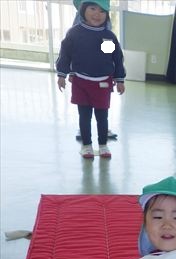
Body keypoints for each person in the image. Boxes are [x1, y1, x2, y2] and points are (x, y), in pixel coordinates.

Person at [56, 0, 125, 159]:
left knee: (102, 116)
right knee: (84, 116)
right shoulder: (74, 33)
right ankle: (86, 145)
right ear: (83, 10)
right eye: (93, 9)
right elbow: (66, 55)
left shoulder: (108, 36)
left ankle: (103, 145)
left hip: (102, 83)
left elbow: (115, 58)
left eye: (102, 11)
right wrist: (62, 74)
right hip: (81, 82)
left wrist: (120, 79)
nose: (97, 14)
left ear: (107, 14)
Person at [71, 0, 117, 142]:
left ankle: (103, 128)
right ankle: (84, 129)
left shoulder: (105, 26)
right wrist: (72, 71)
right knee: (84, 107)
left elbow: (109, 53)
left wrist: (112, 73)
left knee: (105, 51)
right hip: (85, 17)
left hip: (102, 23)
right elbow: (72, 50)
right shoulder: (78, 28)